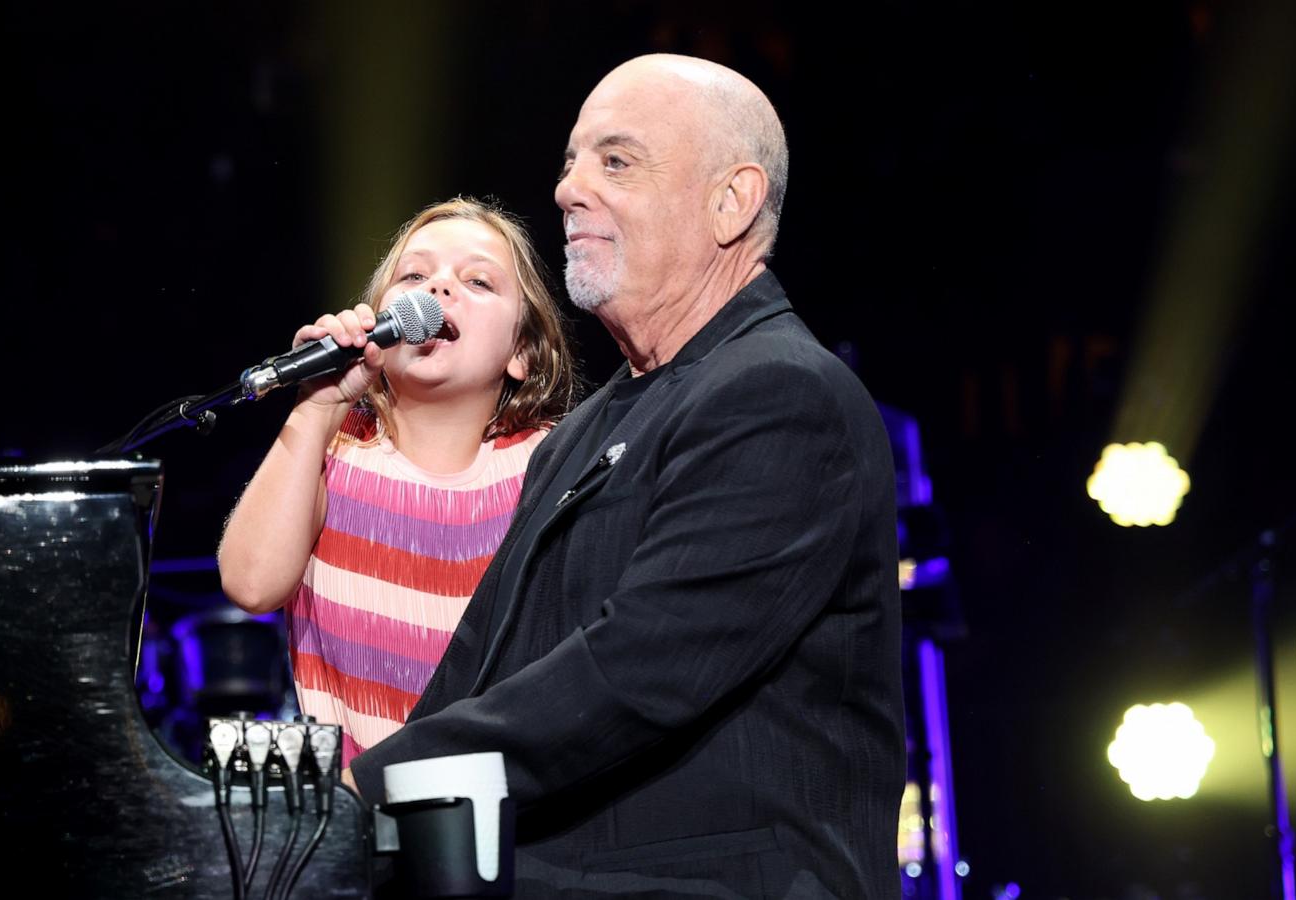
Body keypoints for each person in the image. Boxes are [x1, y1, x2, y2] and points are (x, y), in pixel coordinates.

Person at [346, 56, 905, 898]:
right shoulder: (580, 436)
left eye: (616, 162)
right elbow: (478, 672)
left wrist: (364, 792)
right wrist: (339, 813)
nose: (569, 190)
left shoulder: (783, 395)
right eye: (571, 163)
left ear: (733, 201)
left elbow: (641, 671)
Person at [218, 197, 576, 765]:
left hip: (506, 819)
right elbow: (252, 584)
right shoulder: (333, 454)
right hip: (360, 819)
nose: (437, 289)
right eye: (414, 275)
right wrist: (316, 410)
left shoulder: (550, 464)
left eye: (478, 281)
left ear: (523, 352)